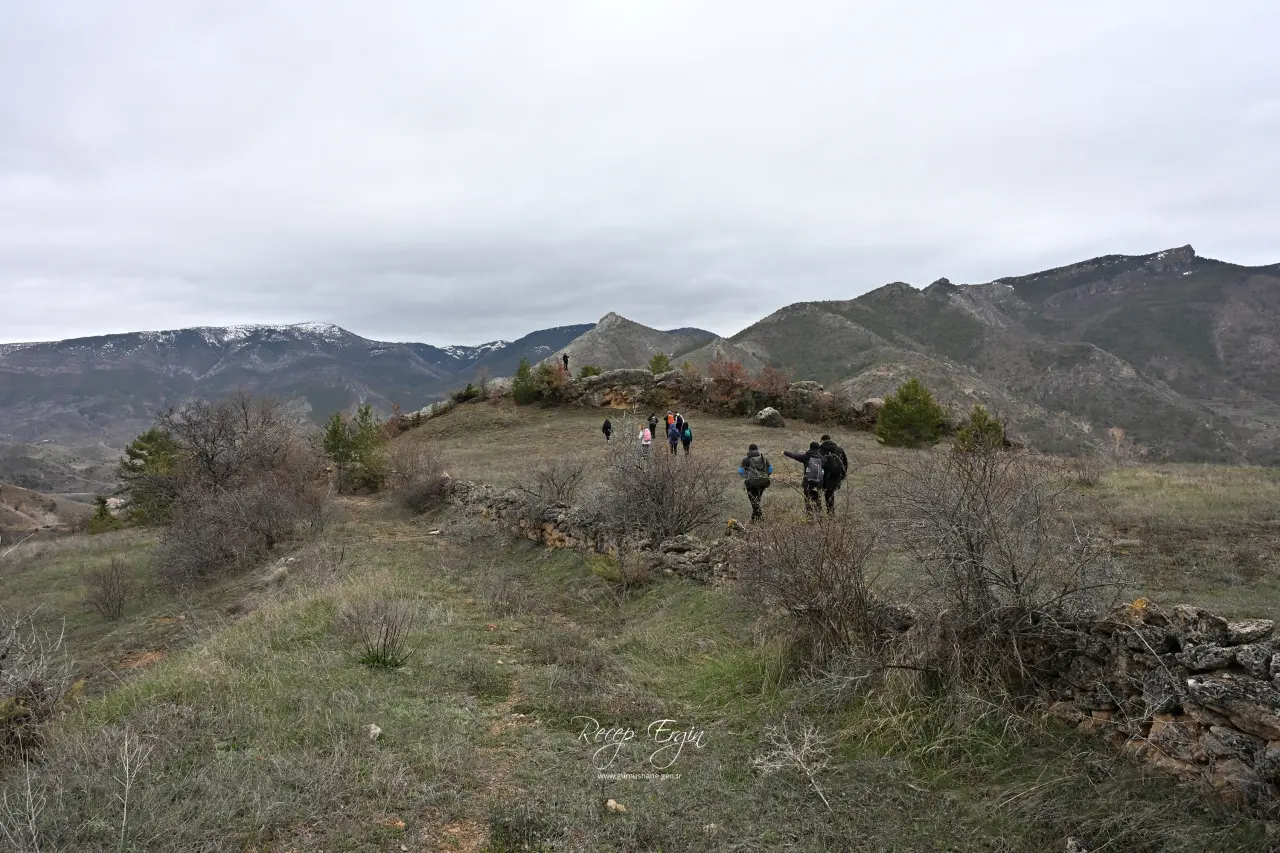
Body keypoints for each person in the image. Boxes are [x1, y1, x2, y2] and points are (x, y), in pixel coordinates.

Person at [784, 441, 826, 517]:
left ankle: (809, 517)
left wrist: (785, 452)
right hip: (819, 483)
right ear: (818, 448)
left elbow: (795, 455)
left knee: (808, 500)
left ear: (810, 447)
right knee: (818, 500)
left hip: (808, 483)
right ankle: (819, 517)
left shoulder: (806, 457)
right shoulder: (822, 458)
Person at [738, 443, 773, 520]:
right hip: (763, 483)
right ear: (757, 449)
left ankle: (760, 518)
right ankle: (754, 519)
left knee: (754, 502)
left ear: (749, 450)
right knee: (757, 501)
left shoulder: (746, 459)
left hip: (751, 484)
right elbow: (770, 469)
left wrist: (746, 477)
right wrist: (765, 475)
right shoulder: (763, 458)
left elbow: (740, 471)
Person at [817, 434, 849, 514]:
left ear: (821, 440)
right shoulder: (839, 449)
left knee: (818, 495)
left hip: (823, 476)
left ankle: (818, 514)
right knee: (830, 494)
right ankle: (831, 514)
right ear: (830, 439)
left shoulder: (819, 450)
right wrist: (842, 477)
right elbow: (845, 463)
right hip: (835, 477)